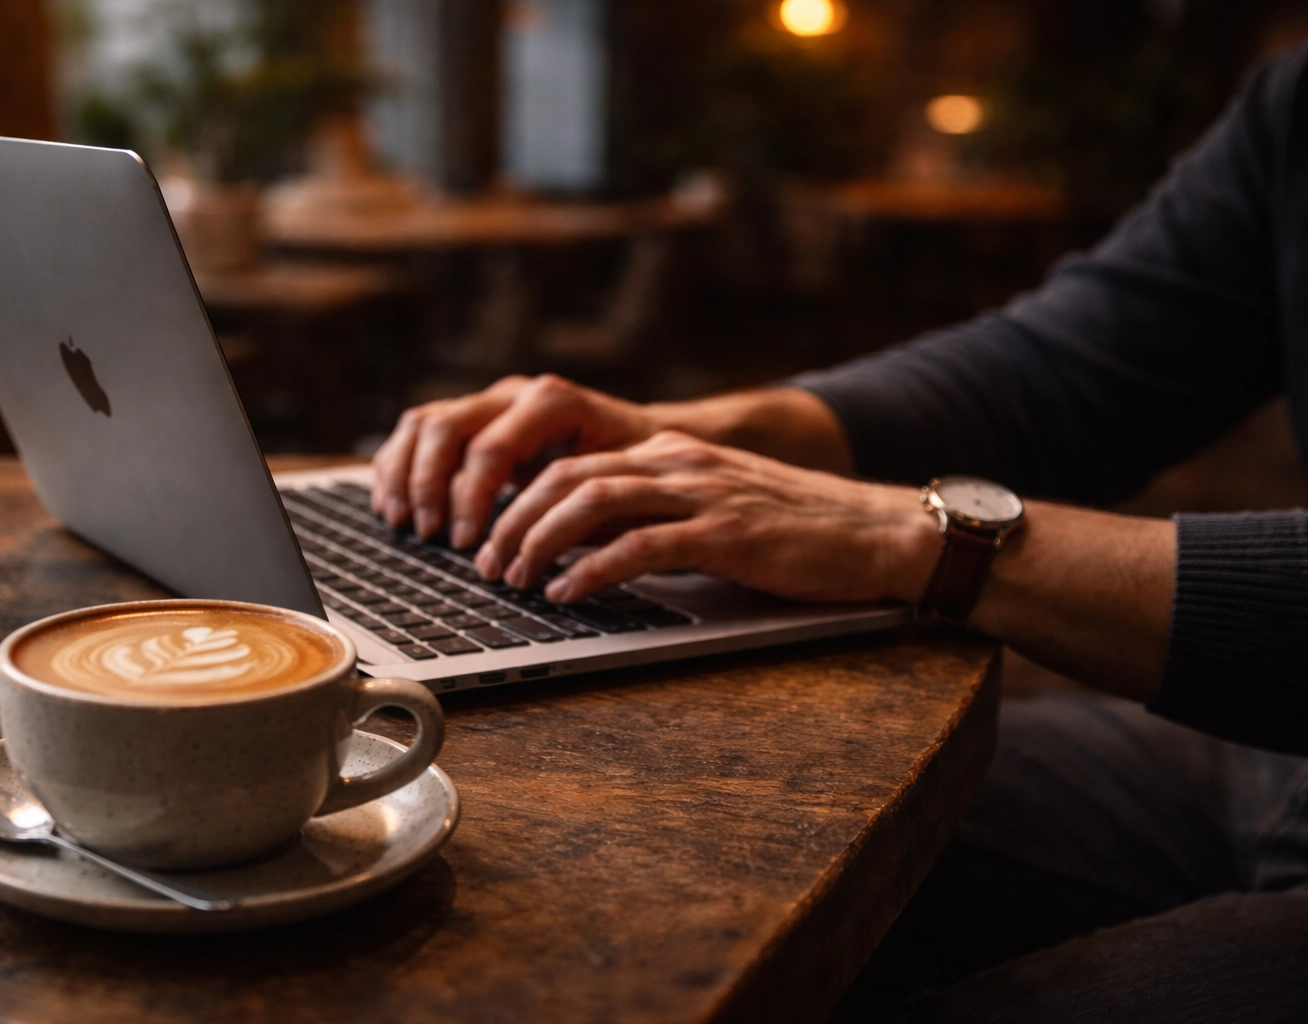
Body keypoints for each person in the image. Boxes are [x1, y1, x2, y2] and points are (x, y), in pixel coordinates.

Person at [370, 45, 1308, 1022]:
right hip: (1262, 758)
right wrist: (690, 434)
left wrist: (925, 539)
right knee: (627, 864)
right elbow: (1061, 372)